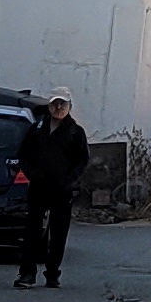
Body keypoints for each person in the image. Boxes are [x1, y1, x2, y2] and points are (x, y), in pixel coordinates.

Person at [14, 93, 89, 289]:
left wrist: (69, 181)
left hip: (62, 190)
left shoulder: (75, 132)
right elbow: (24, 155)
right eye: (55, 104)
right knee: (32, 232)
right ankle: (27, 273)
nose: (59, 108)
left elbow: (82, 160)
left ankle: (53, 273)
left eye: (63, 104)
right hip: (38, 187)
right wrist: (32, 174)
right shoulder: (36, 129)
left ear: (69, 107)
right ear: (49, 106)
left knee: (58, 233)